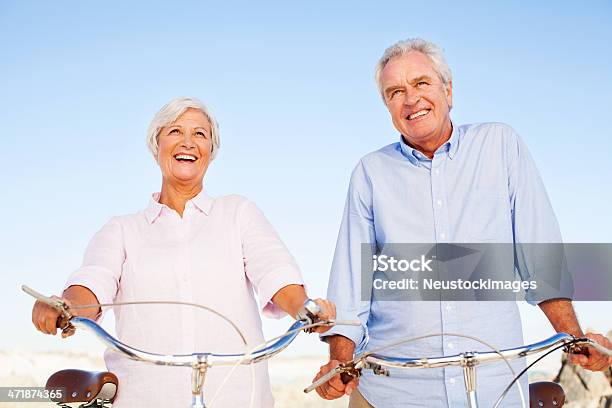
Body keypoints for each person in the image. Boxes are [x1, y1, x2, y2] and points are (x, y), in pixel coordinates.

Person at [313, 39, 611, 407]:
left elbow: (540, 257)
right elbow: (349, 285)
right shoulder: (369, 173)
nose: (411, 99)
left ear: (448, 91)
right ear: (387, 106)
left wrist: (575, 338)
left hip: (493, 386)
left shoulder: (500, 144)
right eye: (395, 92)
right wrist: (339, 361)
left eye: (422, 83)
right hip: (392, 391)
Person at [31, 96, 336, 407]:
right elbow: (94, 281)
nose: (188, 142)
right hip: (145, 398)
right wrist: (65, 306)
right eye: (175, 132)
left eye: (200, 134)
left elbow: (273, 269)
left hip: (239, 397)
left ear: (210, 152)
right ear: (156, 146)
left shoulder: (238, 213)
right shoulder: (122, 229)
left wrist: (305, 308)